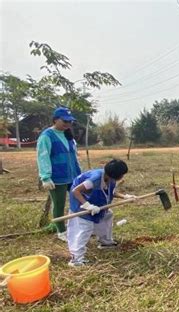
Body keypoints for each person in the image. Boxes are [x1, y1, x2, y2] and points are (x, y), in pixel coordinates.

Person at [67, 159, 136, 267]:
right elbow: (76, 191)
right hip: (80, 202)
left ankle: (106, 242)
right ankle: (76, 259)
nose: (123, 176)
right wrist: (87, 206)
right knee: (85, 228)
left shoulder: (109, 177)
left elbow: (111, 192)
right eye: (122, 174)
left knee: (107, 215)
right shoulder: (94, 179)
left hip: (95, 200)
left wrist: (125, 197)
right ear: (116, 175)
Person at [37, 107, 82, 241]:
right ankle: (61, 231)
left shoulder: (69, 135)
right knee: (59, 204)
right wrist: (45, 177)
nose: (68, 124)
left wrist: (79, 173)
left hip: (73, 175)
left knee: (80, 201)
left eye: (70, 121)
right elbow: (43, 156)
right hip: (58, 177)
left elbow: (74, 156)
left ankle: (79, 226)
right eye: (65, 121)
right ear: (56, 120)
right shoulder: (47, 136)